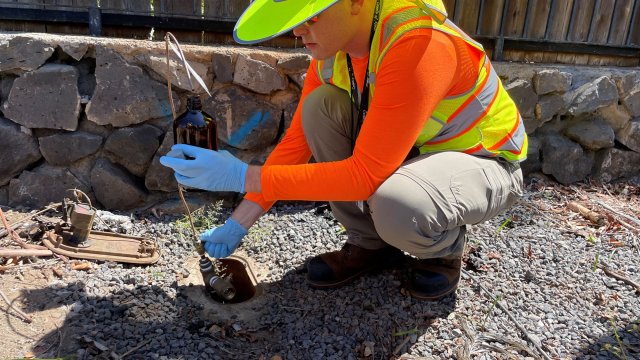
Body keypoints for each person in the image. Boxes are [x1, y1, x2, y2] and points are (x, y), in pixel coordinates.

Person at [160, 0, 527, 301]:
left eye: (310, 16)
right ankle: (371, 245)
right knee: (322, 107)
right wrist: (239, 222)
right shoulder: (335, 52)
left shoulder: (419, 43)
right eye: (296, 19)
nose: (299, 30)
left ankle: (441, 253)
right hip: (412, 154)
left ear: (356, 2)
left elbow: (364, 176)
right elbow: (296, 144)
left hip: (483, 159)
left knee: (400, 204)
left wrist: (241, 175)